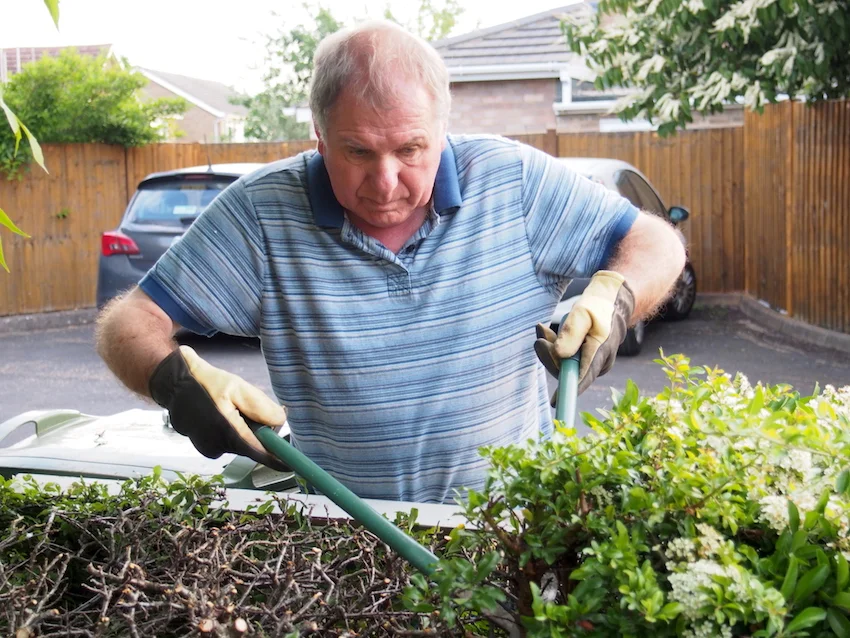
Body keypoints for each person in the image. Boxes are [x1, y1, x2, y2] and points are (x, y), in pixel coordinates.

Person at [95, 20, 686, 504]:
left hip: (507, 535)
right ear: (320, 136)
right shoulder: (263, 213)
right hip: (342, 548)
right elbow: (128, 323)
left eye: (410, 149)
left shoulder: (514, 182)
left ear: (441, 129)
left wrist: (616, 291)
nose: (385, 182)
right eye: (357, 151)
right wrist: (176, 379)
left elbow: (657, 243)